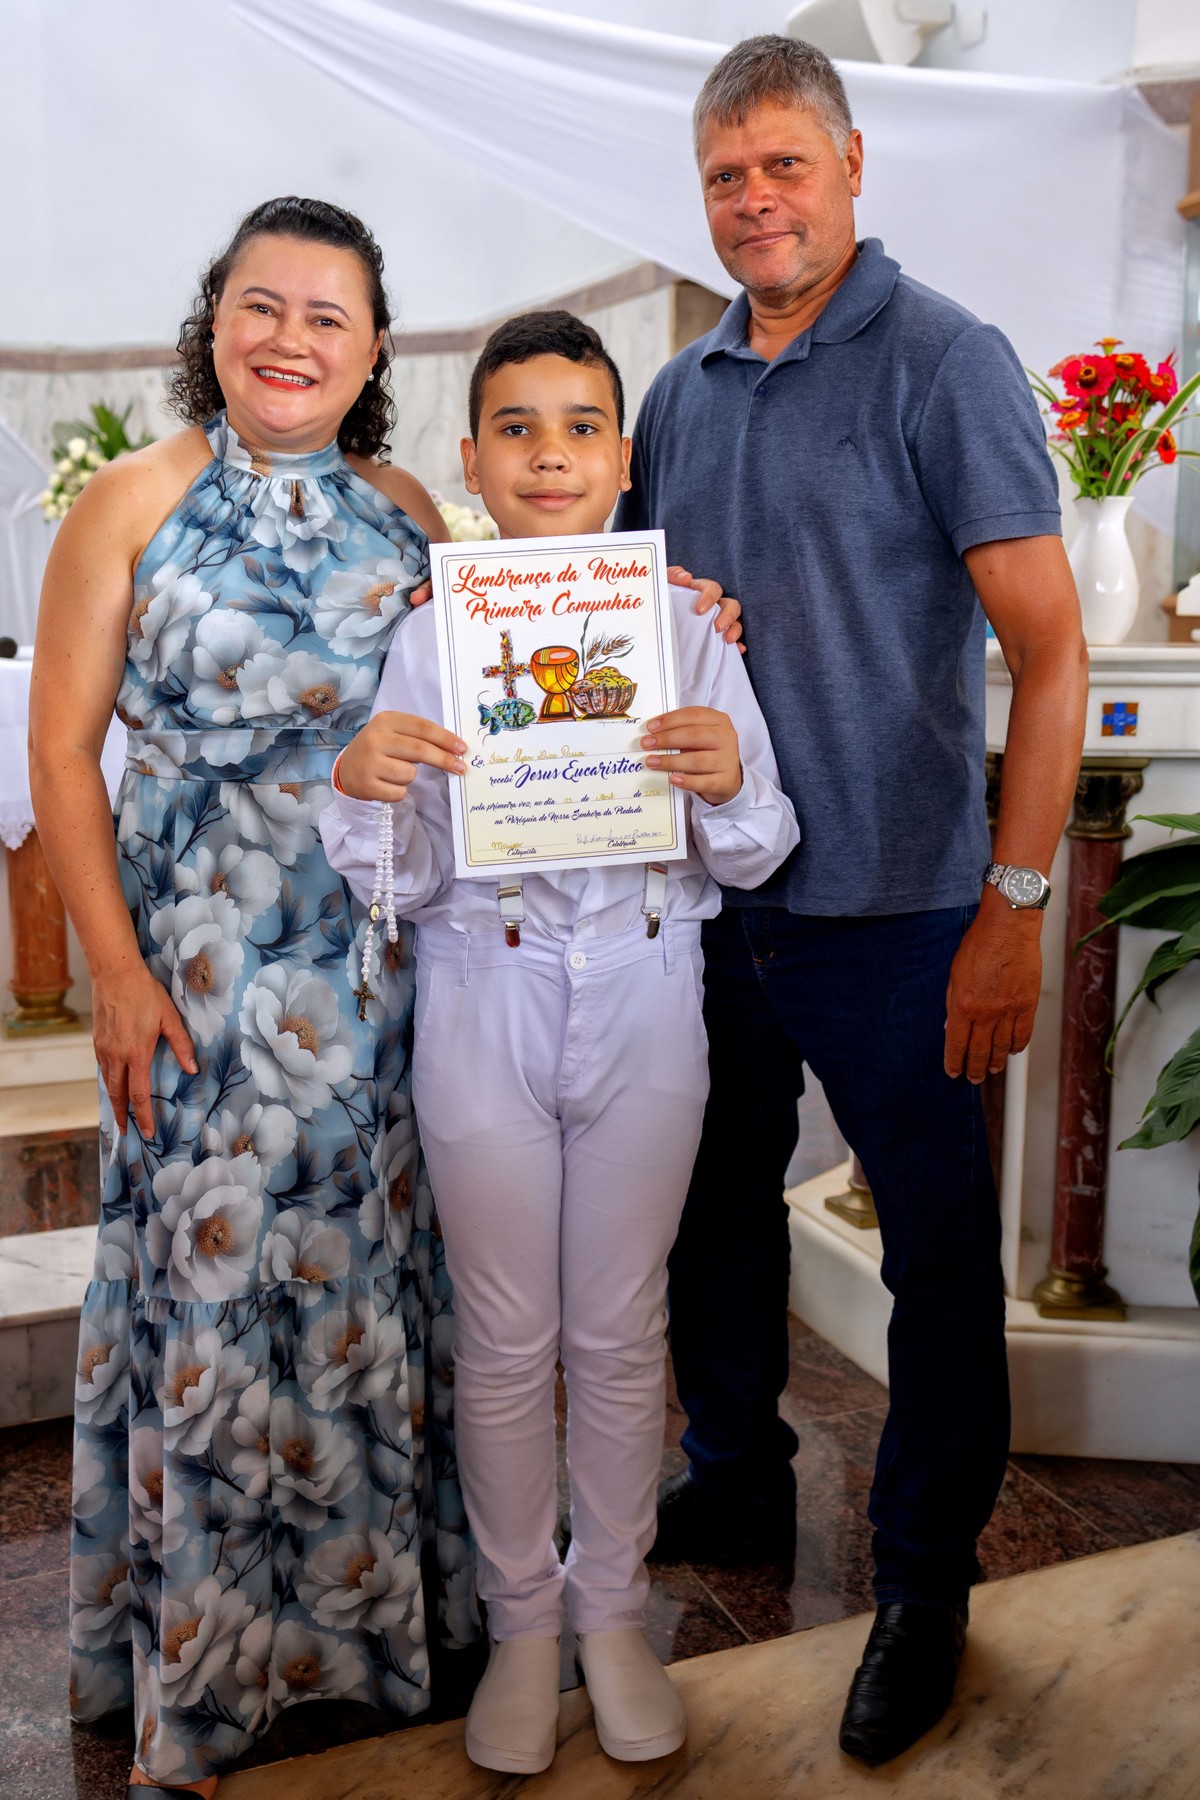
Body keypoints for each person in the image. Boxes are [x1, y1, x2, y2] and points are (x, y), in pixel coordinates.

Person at [615, 36, 1089, 1768]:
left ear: (852, 164)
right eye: (726, 176)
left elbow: (1053, 653)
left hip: (902, 911)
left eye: (784, 166)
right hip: (713, 895)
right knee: (714, 1207)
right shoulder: (678, 393)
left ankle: (923, 1579)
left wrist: (1012, 908)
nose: (756, 201)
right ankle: (737, 1471)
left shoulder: (947, 359)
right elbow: (640, 619)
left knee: (937, 1256)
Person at [32, 195, 483, 1799]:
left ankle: (375, 1654)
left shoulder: (408, 512)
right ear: (214, 320)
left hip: (377, 987)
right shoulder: (130, 502)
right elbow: (60, 756)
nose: (291, 339)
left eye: (326, 316)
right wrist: (113, 972)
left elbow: (499, 708)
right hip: (198, 990)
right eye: (261, 306)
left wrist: (684, 629)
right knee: (210, 1302)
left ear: (373, 349)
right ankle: (206, 1689)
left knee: (365, 1297)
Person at [319, 309, 799, 1776]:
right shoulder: (429, 638)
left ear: (623, 457)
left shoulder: (685, 631)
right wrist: (365, 784)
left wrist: (727, 779)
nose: (549, 454)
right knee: (508, 1334)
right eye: (516, 429)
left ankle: (612, 1613)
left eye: (581, 426)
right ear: (470, 461)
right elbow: (397, 881)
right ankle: (524, 1624)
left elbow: (759, 847)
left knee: (620, 1328)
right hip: (486, 993)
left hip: (650, 987)